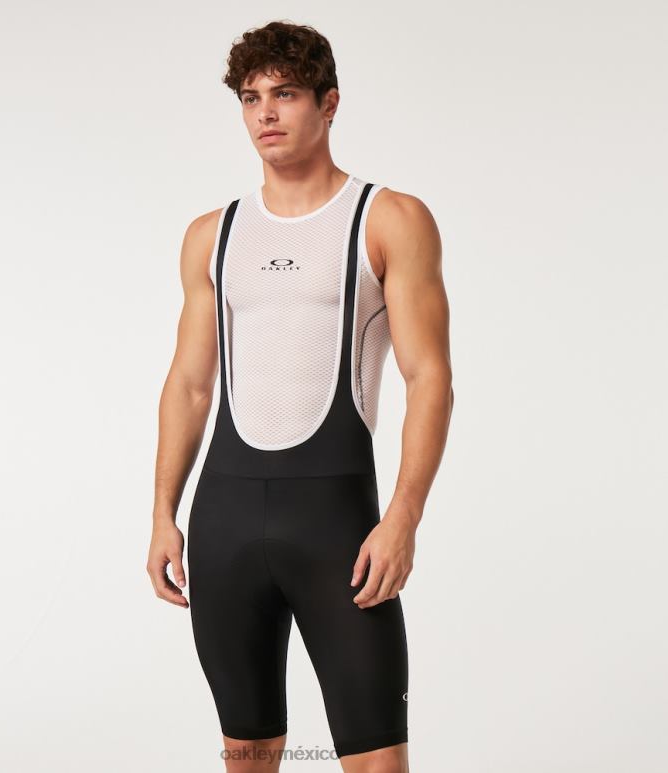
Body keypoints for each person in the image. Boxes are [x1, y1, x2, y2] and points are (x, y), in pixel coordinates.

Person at [147, 20, 453, 773]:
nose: (266, 114)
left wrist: (403, 518)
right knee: (247, 755)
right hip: (222, 523)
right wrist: (162, 513)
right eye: (251, 98)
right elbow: (189, 384)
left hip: (337, 526)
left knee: (375, 758)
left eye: (284, 94)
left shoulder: (388, 219)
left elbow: (430, 379)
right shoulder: (212, 234)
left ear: (329, 102)